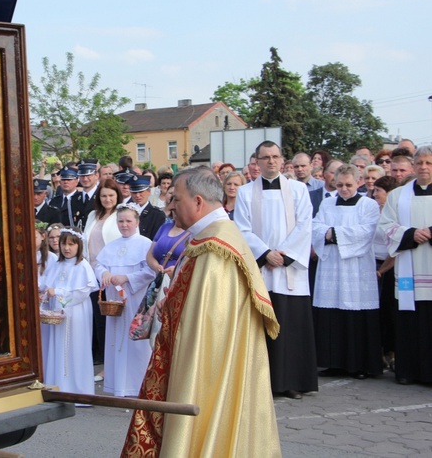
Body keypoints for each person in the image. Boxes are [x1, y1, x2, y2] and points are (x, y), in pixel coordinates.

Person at [122, 167, 281, 457]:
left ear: (197, 202)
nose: (170, 207)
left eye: (176, 199)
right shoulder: (209, 237)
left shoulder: (215, 248)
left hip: (206, 369)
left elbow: (207, 327)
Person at [234, 141, 317, 399]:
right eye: (265, 157)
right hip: (262, 269)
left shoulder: (298, 189)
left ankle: (292, 381)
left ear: (283, 160)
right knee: (261, 326)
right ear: (256, 162)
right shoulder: (246, 192)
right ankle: (260, 383)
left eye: (275, 156)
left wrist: (284, 254)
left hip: (290, 270)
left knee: (290, 325)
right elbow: (241, 228)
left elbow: (305, 224)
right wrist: (265, 254)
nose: (271, 161)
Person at [312, 164, 383, 379]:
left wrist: (332, 234)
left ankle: (358, 365)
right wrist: (331, 234)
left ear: (358, 182)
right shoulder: (327, 203)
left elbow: (365, 232)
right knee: (332, 314)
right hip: (331, 268)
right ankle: (333, 363)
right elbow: (316, 227)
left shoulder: (368, 205)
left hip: (356, 269)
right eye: (340, 184)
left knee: (355, 314)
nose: (344, 189)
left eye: (349, 185)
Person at [378, 145, 432, 385]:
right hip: (410, 269)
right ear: (413, 166)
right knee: (410, 321)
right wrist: (410, 234)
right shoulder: (399, 196)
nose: (424, 167)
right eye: (419, 163)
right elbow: (384, 226)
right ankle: (408, 370)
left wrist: (429, 232)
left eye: (429, 163)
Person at [94, 203, 156, 397]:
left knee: (135, 342)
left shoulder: (145, 244)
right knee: (115, 341)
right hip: (114, 302)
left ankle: (137, 384)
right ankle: (117, 384)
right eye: (121, 221)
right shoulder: (112, 245)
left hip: (135, 300)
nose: (124, 225)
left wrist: (128, 278)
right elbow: (99, 265)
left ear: (137, 222)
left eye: (129, 221)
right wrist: (104, 273)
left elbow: (151, 271)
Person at [39, 228, 97, 396]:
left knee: (75, 347)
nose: (67, 248)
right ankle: (58, 386)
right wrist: (46, 292)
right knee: (58, 347)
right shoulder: (58, 264)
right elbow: (48, 284)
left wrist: (58, 293)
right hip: (57, 312)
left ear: (79, 246)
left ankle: (77, 389)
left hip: (76, 313)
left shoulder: (83, 266)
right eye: (64, 243)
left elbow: (82, 292)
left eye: (71, 244)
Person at [83, 179, 123, 371]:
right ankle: (100, 360)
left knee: (111, 320)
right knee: (97, 319)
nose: (107, 199)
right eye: (104, 196)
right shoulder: (93, 215)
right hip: (91, 274)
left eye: (111, 195)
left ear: (117, 196)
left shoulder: (121, 215)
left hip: (111, 275)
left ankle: (111, 366)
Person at [372, 175, 399, 371]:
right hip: (372, 266)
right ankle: (378, 352)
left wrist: (382, 270)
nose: (374, 195)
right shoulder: (373, 212)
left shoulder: (395, 214)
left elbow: (395, 247)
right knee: (376, 313)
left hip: (388, 268)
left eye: (378, 191)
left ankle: (392, 352)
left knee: (389, 311)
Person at [128, 175, 167, 240]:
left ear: (149, 192)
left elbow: (156, 240)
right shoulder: (126, 212)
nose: (138, 195)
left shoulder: (157, 215)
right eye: (134, 192)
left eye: (141, 192)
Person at [77, 158, 100, 224]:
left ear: (96, 175)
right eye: (82, 175)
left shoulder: (101, 197)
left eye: (88, 175)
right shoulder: (74, 199)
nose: (85, 179)